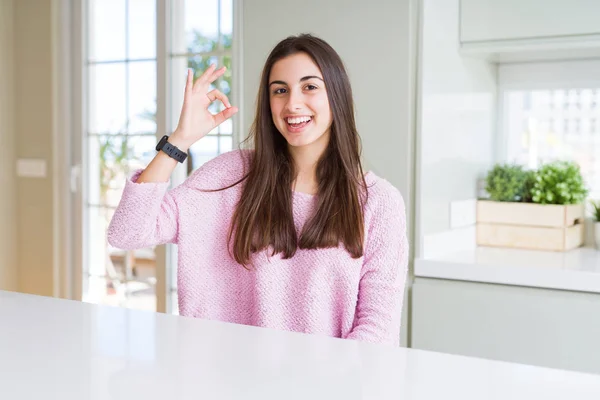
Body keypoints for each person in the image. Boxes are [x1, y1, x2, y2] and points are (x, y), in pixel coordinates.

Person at [107, 33, 408, 346]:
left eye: (309, 87)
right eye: (280, 90)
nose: (292, 104)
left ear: (337, 95)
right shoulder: (231, 176)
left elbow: (378, 332)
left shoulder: (378, 204)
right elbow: (128, 232)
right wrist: (180, 140)